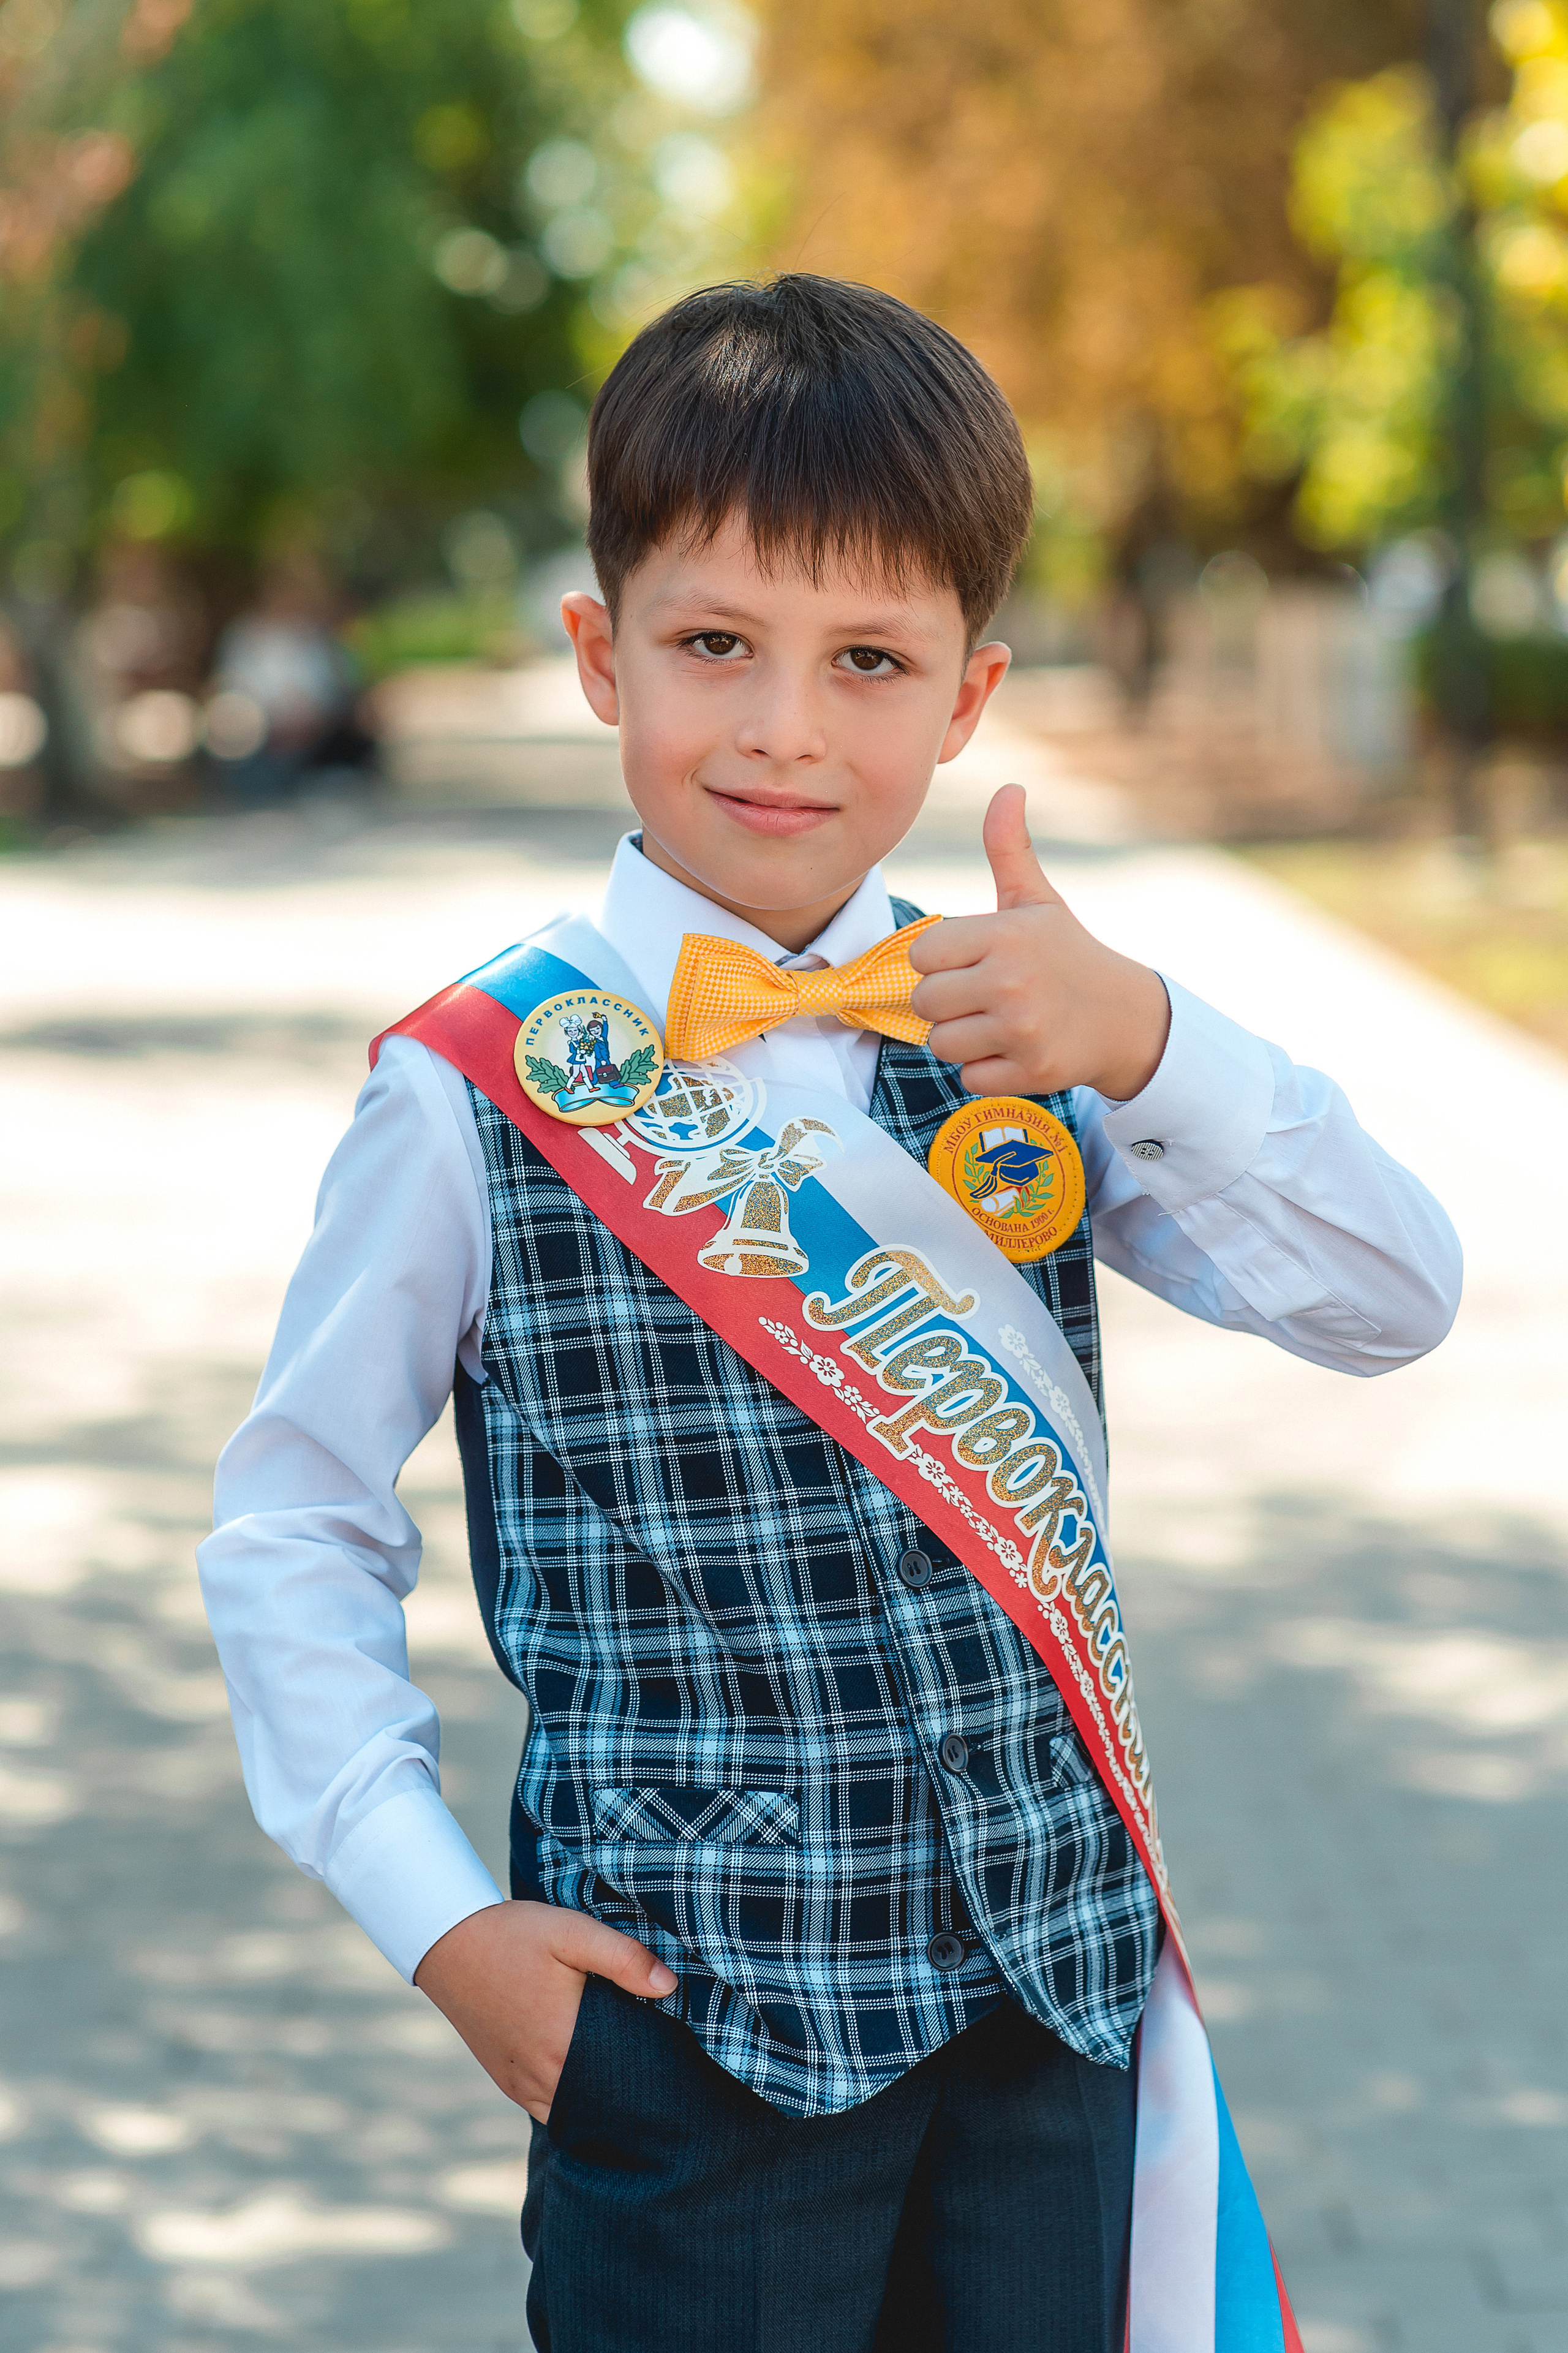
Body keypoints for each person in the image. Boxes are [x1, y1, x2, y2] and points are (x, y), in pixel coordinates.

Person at [198, 276, 1461, 2351]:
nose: (787, 725)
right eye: (716, 645)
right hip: (696, 2049)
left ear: (967, 699)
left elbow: (1399, 1297)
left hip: (1055, 2009)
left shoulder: (1031, 1033)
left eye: (867, 659)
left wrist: (1154, 1037)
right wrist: (439, 1926)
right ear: (602, 653)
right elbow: (291, 1528)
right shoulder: (474, 1084)